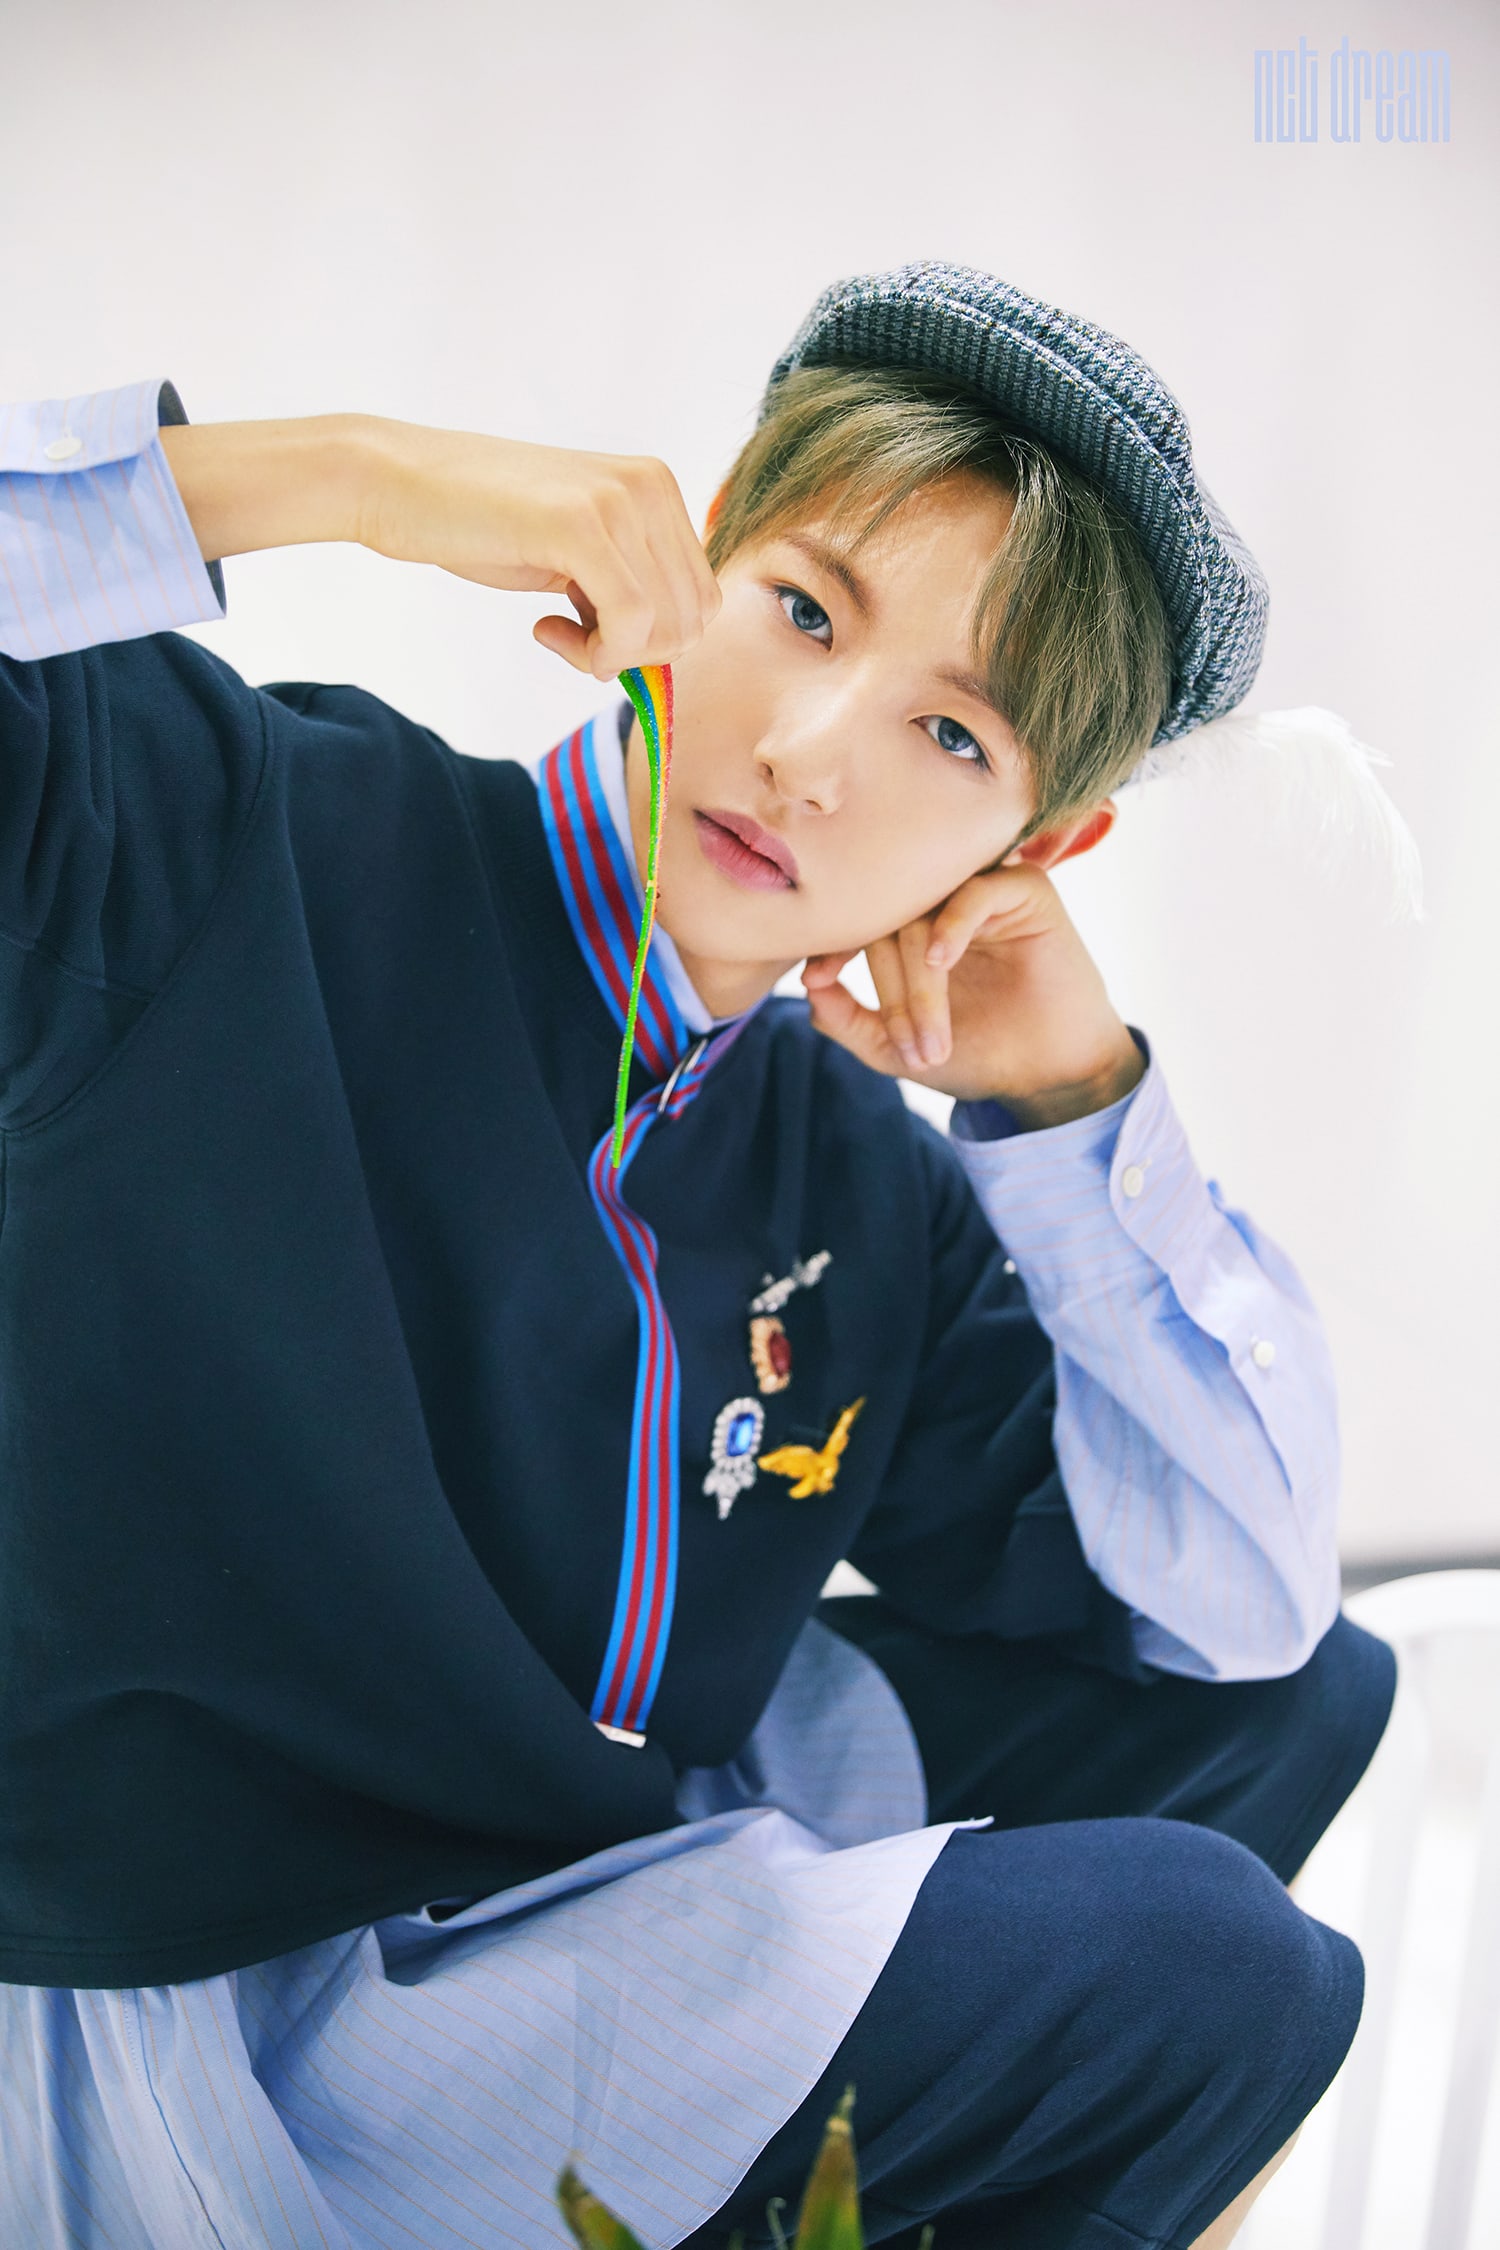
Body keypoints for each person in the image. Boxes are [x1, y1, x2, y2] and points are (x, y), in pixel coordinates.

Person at [0, 261, 1396, 2250]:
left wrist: (1076, 1111)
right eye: (807, 610)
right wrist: (344, 476)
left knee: (1296, 1701)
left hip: (578, 1901)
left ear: (1037, 848)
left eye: (952, 736)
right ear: (706, 540)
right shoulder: (235, 839)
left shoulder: (858, 1178)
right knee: (1215, 1966)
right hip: (230, 2008)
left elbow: (1244, 1610)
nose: (814, 753)